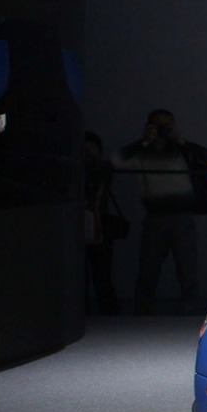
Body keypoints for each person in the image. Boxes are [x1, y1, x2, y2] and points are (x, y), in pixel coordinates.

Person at [114, 109, 207, 314]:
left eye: (166, 126)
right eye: (157, 126)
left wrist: (180, 140)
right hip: (156, 218)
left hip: (182, 217)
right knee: (148, 271)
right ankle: (142, 315)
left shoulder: (181, 151)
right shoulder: (142, 154)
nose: (162, 131)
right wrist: (144, 141)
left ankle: (189, 315)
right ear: (148, 127)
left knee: (187, 270)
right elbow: (116, 161)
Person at [82, 132, 123, 315]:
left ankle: (108, 312)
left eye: (91, 147)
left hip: (99, 224)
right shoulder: (78, 169)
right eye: (84, 148)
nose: (87, 151)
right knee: (82, 274)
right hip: (80, 225)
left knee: (102, 274)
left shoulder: (103, 167)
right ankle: (84, 312)